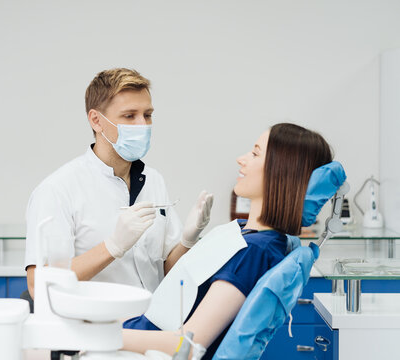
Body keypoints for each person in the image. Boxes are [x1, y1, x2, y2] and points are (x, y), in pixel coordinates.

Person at [122, 123, 334, 360]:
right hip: (142, 332)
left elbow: (188, 344)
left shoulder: (254, 252)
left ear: (281, 172)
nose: (240, 159)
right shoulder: (248, 235)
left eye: (255, 153)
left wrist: (104, 335)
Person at [25, 68, 214, 297]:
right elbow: (38, 286)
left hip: (150, 322)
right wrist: (112, 247)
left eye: (147, 115)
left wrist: (187, 240)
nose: (143, 125)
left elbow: (165, 271)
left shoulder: (153, 180)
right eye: (129, 116)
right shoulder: (57, 191)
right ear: (96, 121)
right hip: (96, 326)